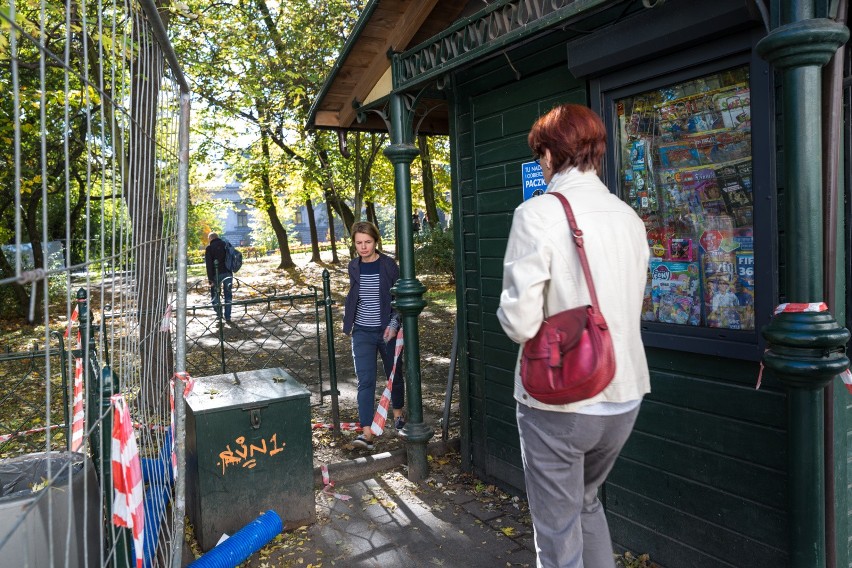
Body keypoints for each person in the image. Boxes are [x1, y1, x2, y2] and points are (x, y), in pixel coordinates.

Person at [497, 104, 651, 568]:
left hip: (561, 402)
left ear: (548, 154)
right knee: (586, 503)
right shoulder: (629, 217)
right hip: (624, 395)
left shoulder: (536, 214)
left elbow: (519, 323)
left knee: (557, 530)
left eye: (540, 153)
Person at [343, 221, 405, 450]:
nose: (363, 247)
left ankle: (398, 416)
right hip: (361, 331)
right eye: (359, 243)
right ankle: (366, 433)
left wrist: (393, 324)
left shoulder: (389, 265)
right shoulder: (354, 266)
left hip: (387, 330)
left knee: (394, 375)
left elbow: (397, 299)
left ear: (376, 241)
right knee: (365, 380)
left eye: (367, 242)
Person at [205, 232, 233, 322]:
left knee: (215, 295)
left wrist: (210, 279)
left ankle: (219, 314)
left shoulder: (209, 248)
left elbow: (209, 265)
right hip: (228, 272)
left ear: (210, 239)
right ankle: (228, 316)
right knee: (228, 294)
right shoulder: (226, 244)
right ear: (217, 237)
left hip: (216, 274)